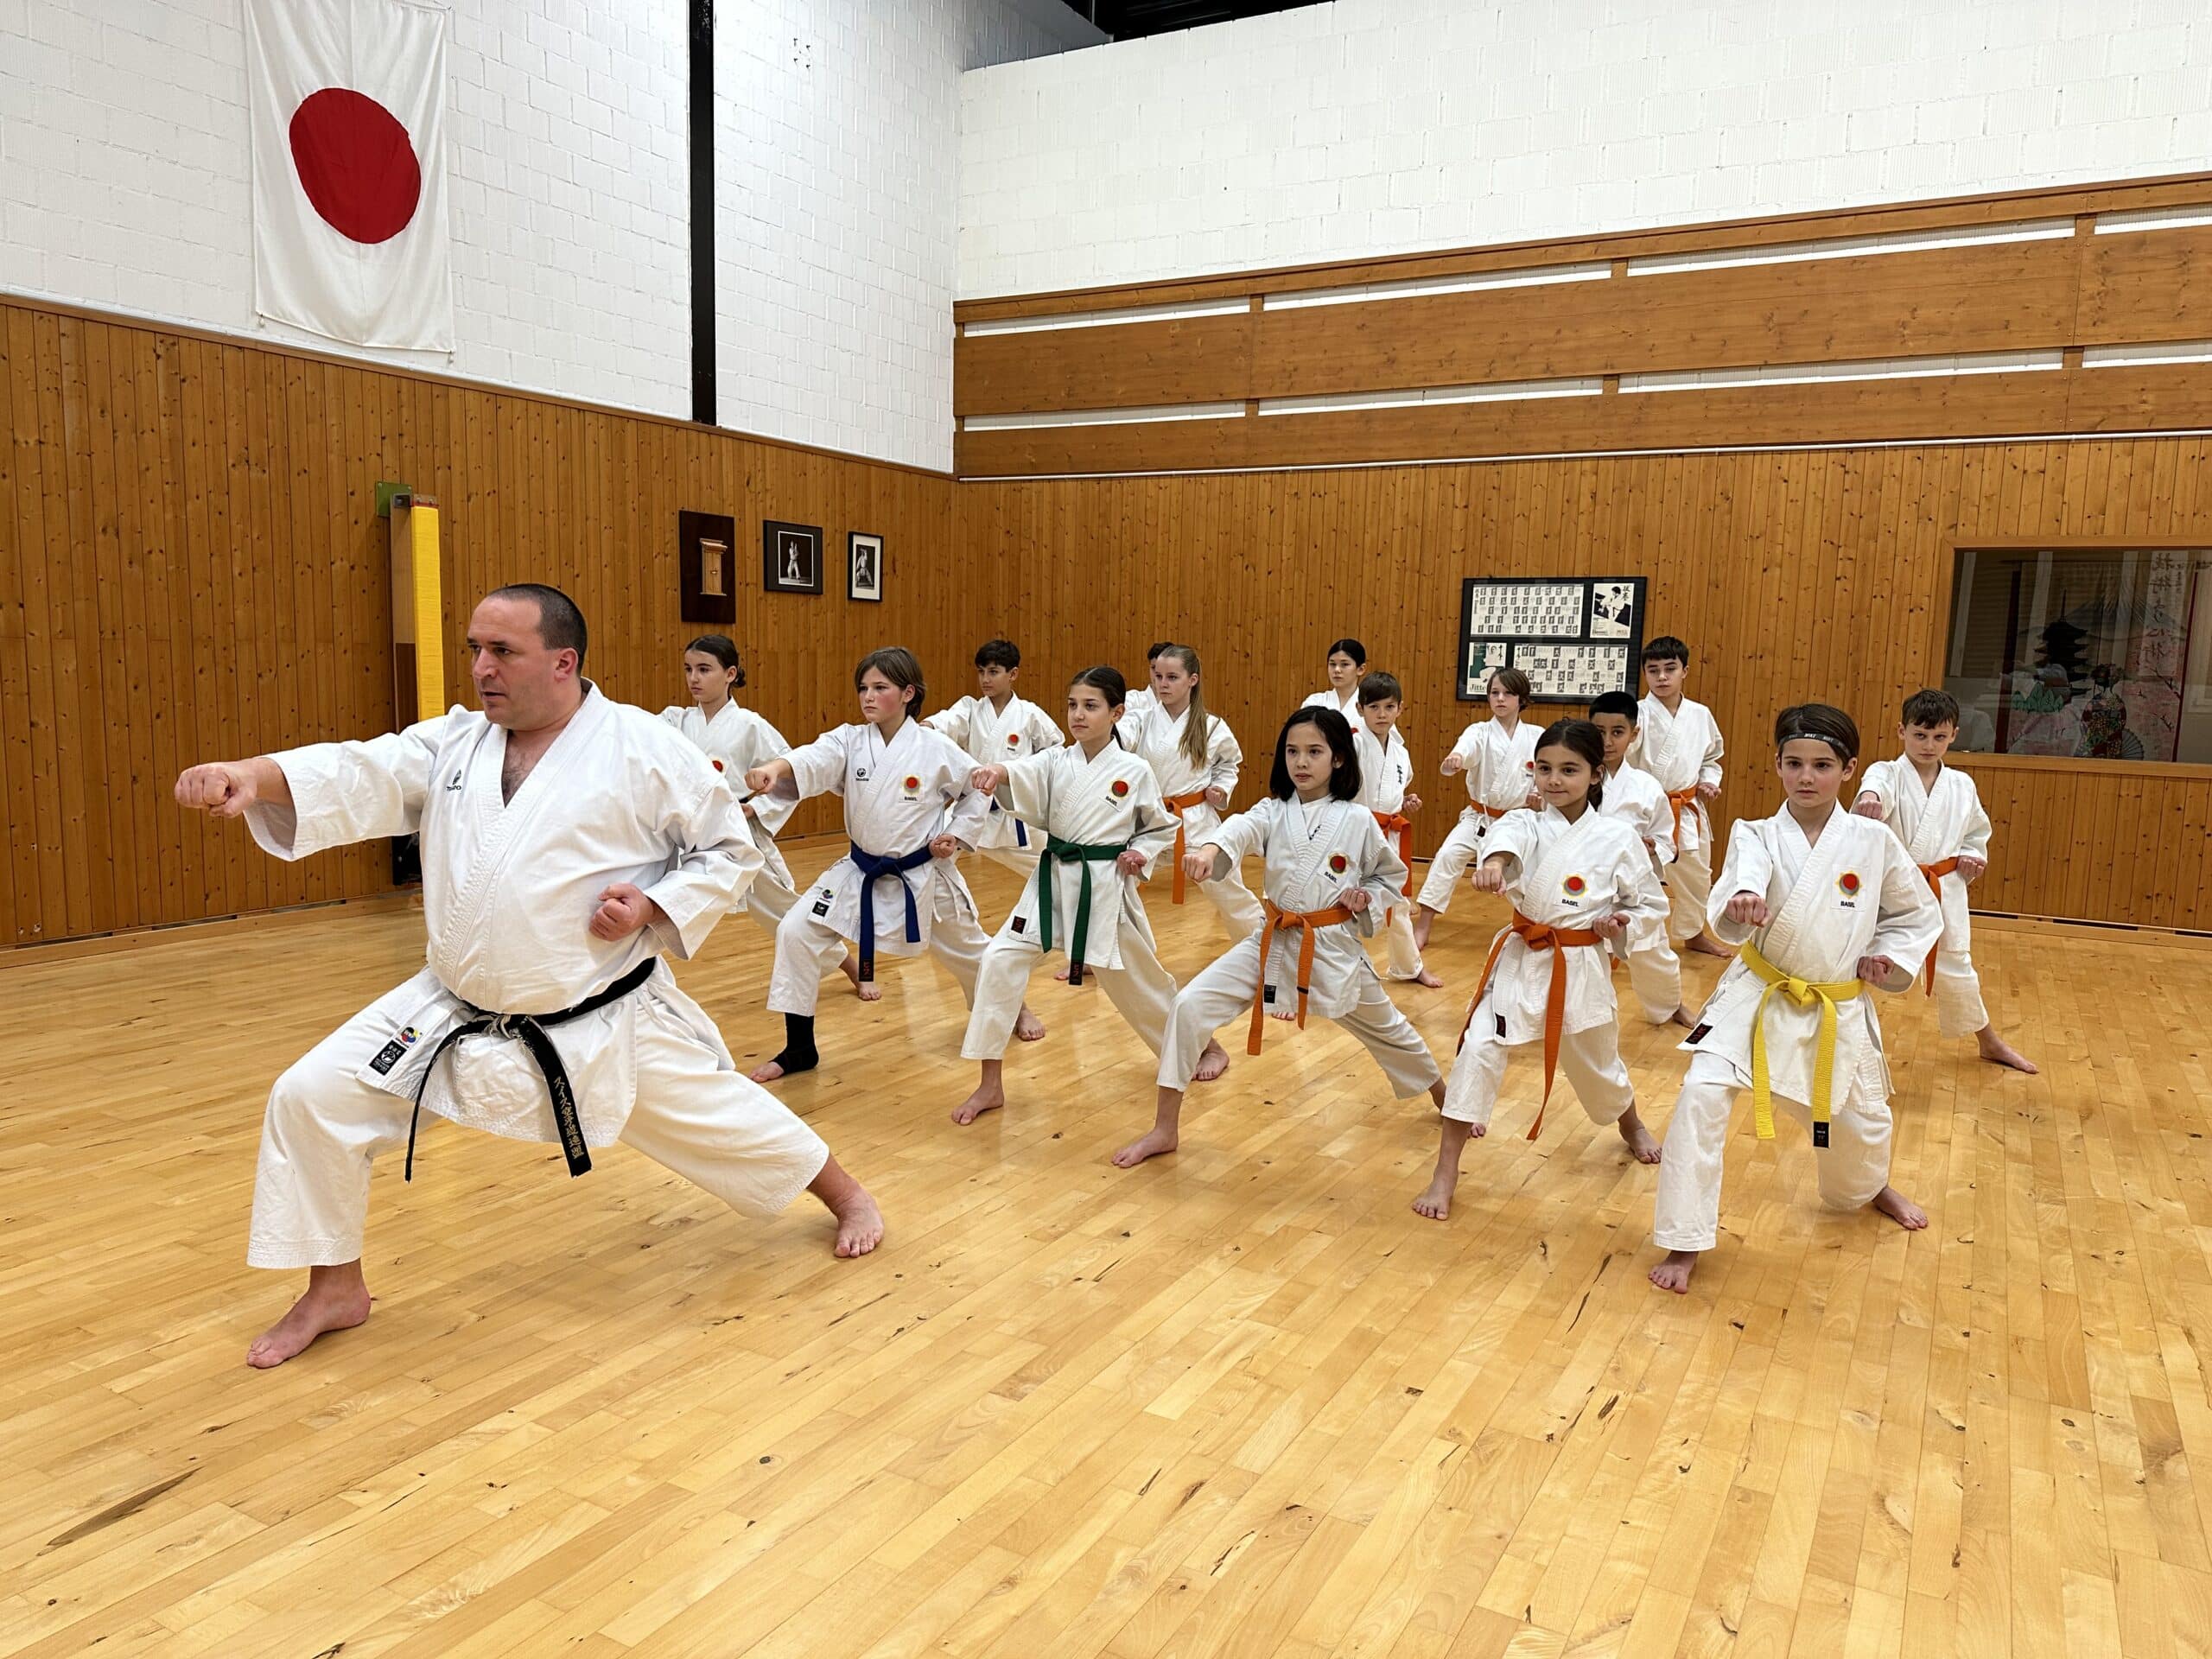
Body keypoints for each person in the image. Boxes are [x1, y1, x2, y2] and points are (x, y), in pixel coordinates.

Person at [171, 584, 884, 1368]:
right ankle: (335, 1287)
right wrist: (255, 774)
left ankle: (846, 1194)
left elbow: (727, 850)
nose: (481, 668)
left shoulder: (642, 748)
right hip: (451, 1007)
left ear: (563, 661)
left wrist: (654, 902)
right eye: (475, 648)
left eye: (501, 651)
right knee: (311, 1096)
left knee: (720, 1117)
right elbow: (364, 771)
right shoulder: (458, 744)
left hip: (598, 1018)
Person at [1648, 704, 1942, 1294]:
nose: (1807, 777)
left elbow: (1915, 914)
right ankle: (1683, 1236)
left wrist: (1888, 958)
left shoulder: (1873, 841)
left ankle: (1865, 1187)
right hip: (1757, 994)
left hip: (1833, 1002)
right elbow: (1741, 882)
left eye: (1823, 765)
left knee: (1859, 1120)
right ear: (1777, 765)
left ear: (1849, 769)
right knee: (1701, 1096)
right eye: (1795, 764)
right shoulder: (1755, 833)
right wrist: (1741, 905)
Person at [1113, 707, 1446, 1168]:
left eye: (1314, 752)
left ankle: (1445, 1098)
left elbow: (1390, 875)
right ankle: (1164, 1128)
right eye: (1292, 751)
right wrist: (1210, 849)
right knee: (1188, 1006)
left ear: (1340, 760)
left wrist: (1364, 897)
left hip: (1331, 948)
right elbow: (1238, 829)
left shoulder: (1357, 820)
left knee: (1389, 1030)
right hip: (1271, 940)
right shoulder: (1273, 810)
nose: (1301, 762)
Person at [1414, 719, 1669, 1220]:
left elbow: (1650, 907)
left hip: (1579, 967)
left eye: (1569, 770)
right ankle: (1445, 1172)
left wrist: (1620, 924)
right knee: (1478, 1050)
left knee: (1597, 1066)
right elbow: (1506, 840)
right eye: (1545, 769)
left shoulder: (1619, 837)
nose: (1554, 781)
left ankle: (1631, 1123)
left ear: (1596, 774)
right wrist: (1493, 862)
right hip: (1520, 958)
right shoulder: (1524, 823)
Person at [745, 647, 1011, 1082]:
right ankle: (799, 1048)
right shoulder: (849, 740)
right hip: (861, 870)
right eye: (863, 688)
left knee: (969, 952)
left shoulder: (934, 747)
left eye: (880, 688)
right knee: (796, 931)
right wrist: (775, 768)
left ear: (908, 693)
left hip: (921, 874)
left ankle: (1011, 1009)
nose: (868, 697)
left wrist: (958, 835)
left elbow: (977, 788)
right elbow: (813, 758)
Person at [951, 666, 1187, 1124]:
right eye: (1073, 705)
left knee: (1137, 981)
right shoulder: (1058, 759)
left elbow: (1160, 825)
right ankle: (990, 1085)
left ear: (1117, 712)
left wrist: (1139, 852)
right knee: (999, 960)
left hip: (1102, 888)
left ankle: (1199, 1046)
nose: (1078, 714)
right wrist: (996, 768)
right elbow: (1020, 770)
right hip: (1051, 882)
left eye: (1091, 706)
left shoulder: (1134, 770)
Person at [657, 636, 860, 991]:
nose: (694, 678)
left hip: (737, 831)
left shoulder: (751, 725)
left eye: (705, 669)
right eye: (689, 669)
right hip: (686, 832)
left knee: (783, 909)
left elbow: (788, 772)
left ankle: (850, 965)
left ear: (730, 673)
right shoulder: (674, 721)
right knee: (659, 903)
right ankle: (644, 985)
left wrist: (757, 806)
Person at [1853, 688, 2036, 1073]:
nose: (1928, 745)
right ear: (1902, 731)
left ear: (1953, 735)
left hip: (1943, 887)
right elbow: (1875, 787)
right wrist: (1869, 797)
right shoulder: (1886, 773)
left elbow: (1976, 831)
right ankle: (1826, 1035)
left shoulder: (1961, 785)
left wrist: (1973, 855)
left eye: (1939, 737)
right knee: (1856, 958)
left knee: (1957, 966)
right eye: (1920, 735)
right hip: (1893, 888)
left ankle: (1989, 1041)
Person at [1117, 644, 1266, 945]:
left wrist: (1220, 788)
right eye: (1158, 676)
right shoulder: (1141, 719)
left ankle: (1266, 951)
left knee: (1229, 891)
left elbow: (1229, 764)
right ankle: (1101, 955)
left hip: (1196, 821)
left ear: (1192, 680)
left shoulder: (1211, 727)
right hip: (1149, 821)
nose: (1163, 684)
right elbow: (1118, 738)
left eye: (1172, 677)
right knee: (1113, 883)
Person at [1412, 666, 1541, 956]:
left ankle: (1531, 924)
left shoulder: (1536, 736)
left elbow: (1544, 773)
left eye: (1508, 693)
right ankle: (1424, 923)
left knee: (1530, 872)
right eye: (1495, 692)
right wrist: (1457, 758)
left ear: (1522, 699)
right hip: (1479, 817)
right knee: (1447, 856)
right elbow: (1465, 750)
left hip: (1519, 820)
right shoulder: (1479, 732)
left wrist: (1539, 795)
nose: (1500, 699)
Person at [924, 638, 1066, 888]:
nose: (985, 679)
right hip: (971, 807)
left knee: (1054, 871)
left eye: (993, 672)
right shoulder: (970, 708)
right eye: (981, 672)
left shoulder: (1029, 714)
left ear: (1013, 674)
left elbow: (1054, 753)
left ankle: (1071, 912)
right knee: (927, 856)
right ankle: (919, 912)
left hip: (1014, 812)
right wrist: (927, 727)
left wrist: (1025, 779)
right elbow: (949, 720)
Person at [1589, 690, 1692, 1027]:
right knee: (1584, 957)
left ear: (1634, 734)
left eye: (1617, 732)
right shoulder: (1575, 777)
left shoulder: (1646, 787)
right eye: (1599, 731)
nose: (1607, 741)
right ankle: (1580, 1015)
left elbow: (1665, 837)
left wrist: (1654, 849)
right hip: (1587, 884)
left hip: (1634, 886)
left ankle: (1669, 1005)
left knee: (1654, 955)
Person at [1629, 636, 1731, 959]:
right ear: (1644, 673)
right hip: (1643, 810)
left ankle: (1693, 933)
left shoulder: (1700, 715)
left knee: (1698, 876)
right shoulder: (1636, 715)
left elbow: (1711, 758)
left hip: (1686, 808)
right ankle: (1620, 938)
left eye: (1669, 669)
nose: (1661, 677)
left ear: (1684, 671)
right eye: (1653, 670)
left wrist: (1708, 781)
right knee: (1631, 875)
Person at [1352, 671, 1442, 988]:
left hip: (1388, 833)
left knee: (1398, 903)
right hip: (1356, 833)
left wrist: (1406, 801)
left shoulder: (1400, 751)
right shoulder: (1353, 744)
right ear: (1361, 709)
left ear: (1400, 709)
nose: (1381, 714)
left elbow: (1391, 792)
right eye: (1374, 707)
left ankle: (1408, 966)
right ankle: (1322, 967)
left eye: (1388, 707)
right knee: (1342, 899)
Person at [1301, 637, 1367, 720]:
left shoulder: (1370, 705)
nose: (1337, 670)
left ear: (1361, 669)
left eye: (1345, 664)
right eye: (1332, 664)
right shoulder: (1315, 702)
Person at [1122, 641, 1176, 721]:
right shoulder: (1133, 700)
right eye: (1154, 667)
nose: (1158, 673)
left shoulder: (1181, 706)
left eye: (1164, 668)